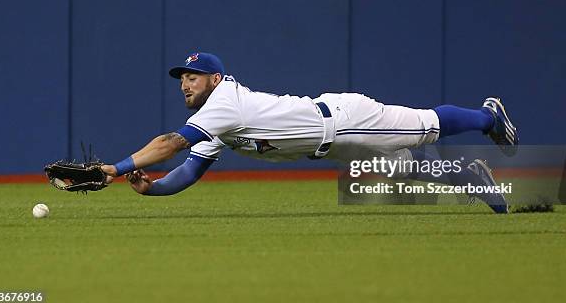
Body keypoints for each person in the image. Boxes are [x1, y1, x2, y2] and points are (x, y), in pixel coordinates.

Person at [101, 52, 519, 213]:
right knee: (404, 168)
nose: (185, 84)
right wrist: (152, 189)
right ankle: (471, 176)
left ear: (215, 79)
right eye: (181, 79)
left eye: (193, 76)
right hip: (331, 146)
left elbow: (169, 144)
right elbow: (188, 171)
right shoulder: (212, 119)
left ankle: (488, 117)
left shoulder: (225, 101)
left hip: (342, 121)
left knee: (426, 125)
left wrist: (115, 168)